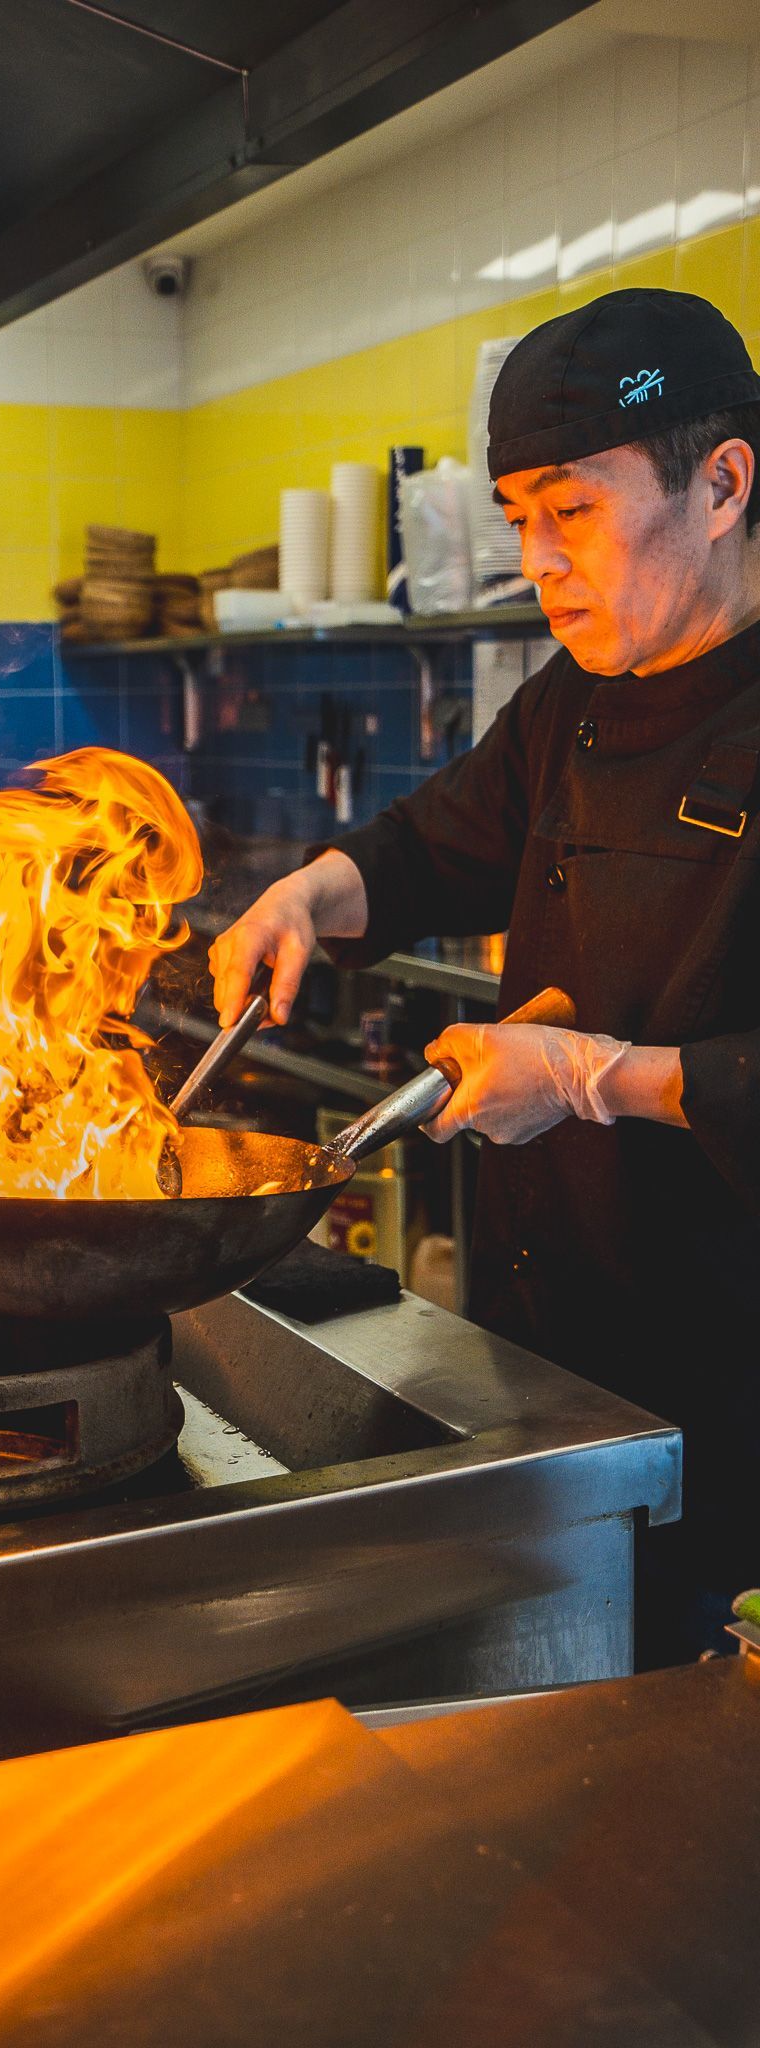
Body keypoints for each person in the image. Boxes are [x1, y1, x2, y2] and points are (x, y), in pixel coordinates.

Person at [210, 289, 760, 1665]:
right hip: (559, 1376)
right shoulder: (571, 700)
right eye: (516, 516)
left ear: (724, 484)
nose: (537, 560)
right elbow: (434, 841)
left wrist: (597, 1081)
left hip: (737, 1420)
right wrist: (313, 893)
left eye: (569, 511)